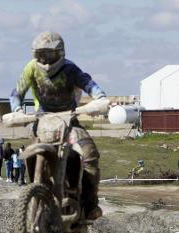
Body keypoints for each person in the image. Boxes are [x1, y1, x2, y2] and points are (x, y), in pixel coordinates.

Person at [10, 31, 108, 220]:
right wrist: (16, 110)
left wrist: (100, 98)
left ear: (60, 53)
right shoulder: (31, 68)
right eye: (41, 55)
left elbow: (89, 84)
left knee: (89, 154)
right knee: (30, 150)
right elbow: (17, 92)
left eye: (50, 55)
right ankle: (36, 190)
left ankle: (90, 205)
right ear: (35, 55)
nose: (46, 61)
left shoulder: (70, 69)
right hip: (42, 121)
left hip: (70, 120)